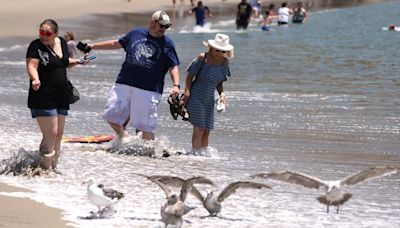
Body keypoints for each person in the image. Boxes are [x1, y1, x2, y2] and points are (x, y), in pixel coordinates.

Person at [84, 10, 180, 146]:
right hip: (124, 83)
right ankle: (125, 137)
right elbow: (116, 43)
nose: (163, 29)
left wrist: (176, 85)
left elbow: (173, 66)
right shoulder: (135, 33)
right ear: (153, 23)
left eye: (166, 26)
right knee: (110, 114)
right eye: (161, 25)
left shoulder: (168, 43)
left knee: (145, 126)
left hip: (149, 89)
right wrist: (93, 46)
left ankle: (148, 155)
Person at [26, 19, 91, 171]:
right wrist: (35, 79)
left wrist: (78, 61)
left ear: (55, 34)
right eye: (41, 32)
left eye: (48, 33)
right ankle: (42, 169)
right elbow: (32, 65)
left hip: (61, 96)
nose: (44, 36)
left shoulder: (61, 42)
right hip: (42, 95)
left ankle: (52, 168)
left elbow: (63, 62)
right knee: (51, 133)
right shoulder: (35, 46)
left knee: (58, 134)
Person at [182, 33, 234, 152]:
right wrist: (187, 93)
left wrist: (222, 94)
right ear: (211, 48)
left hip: (209, 99)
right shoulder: (202, 58)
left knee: (206, 130)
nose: (220, 54)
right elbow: (189, 77)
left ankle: (203, 156)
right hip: (196, 96)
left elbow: (220, 83)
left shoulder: (224, 62)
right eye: (218, 50)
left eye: (223, 51)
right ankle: (195, 154)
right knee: (199, 128)